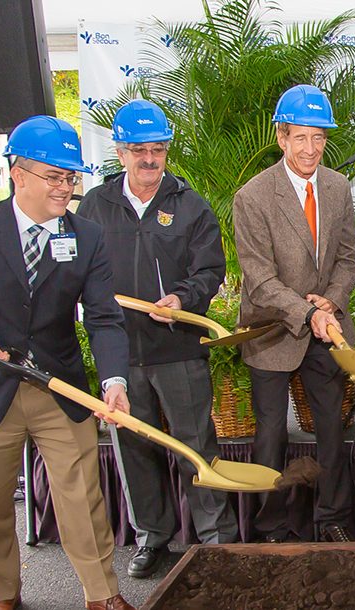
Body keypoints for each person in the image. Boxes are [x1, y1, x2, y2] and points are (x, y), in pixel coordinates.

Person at [0, 115, 135, 610]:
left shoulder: (89, 237)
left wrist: (113, 380)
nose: (66, 188)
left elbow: (103, 317)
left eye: (71, 177)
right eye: (54, 176)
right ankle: (2, 595)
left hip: (60, 388)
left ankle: (103, 595)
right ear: (18, 172)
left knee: (82, 496)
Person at [77, 99, 236, 577]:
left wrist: (184, 299)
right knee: (133, 447)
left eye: (158, 149)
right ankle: (153, 537)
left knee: (195, 444)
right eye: (139, 150)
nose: (150, 159)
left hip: (177, 351)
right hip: (120, 354)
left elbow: (211, 270)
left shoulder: (190, 206)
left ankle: (214, 539)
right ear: (120, 153)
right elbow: (81, 271)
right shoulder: (94, 206)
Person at [233, 84, 355, 543]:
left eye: (319, 138)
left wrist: (333, 299)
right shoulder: (252, 197)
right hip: (271, 329)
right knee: (270, 434)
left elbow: (348, 259)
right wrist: (306, 314)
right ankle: (272, 527)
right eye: (300, 138)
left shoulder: (338, 187)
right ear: (282, 138)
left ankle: (333, 520)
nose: (310, 149)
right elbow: (260, 280)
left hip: (325, 329)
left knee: (331, 428)